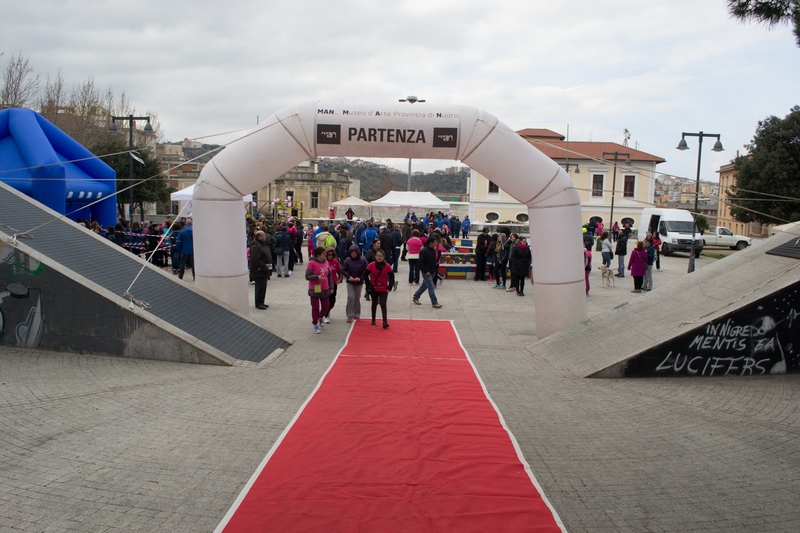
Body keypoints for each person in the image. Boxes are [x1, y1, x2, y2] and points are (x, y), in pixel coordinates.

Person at [364, 249, 395, 328]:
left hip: (383, 289)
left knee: (383, 304)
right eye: (378, 256)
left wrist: (390, 287)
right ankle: (373, 319)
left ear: (383, 257)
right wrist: (368, 285)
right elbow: (365, 274)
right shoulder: (371, 265)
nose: (379, 257)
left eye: (380, 256)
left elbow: (392, 276)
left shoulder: (387, 266)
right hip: (374, 288)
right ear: (375, 257)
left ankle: (385, 321)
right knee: (374, 304)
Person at [412, 235, 443, 308]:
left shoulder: (433, 250)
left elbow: (433, 261)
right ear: (430, 243)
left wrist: (435, 270)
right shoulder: (424, 251)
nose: (436, 243)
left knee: (424, 286)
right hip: (427, 273)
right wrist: (425, 271)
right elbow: (420, 262)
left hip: (432, 272)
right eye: (434, 242)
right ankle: (434, 302)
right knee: (431, 287)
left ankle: (415, 297)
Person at [306, 246, 331, 334]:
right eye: (323, 253)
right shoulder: (311, 263)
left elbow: (329, 276)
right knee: (315, 307)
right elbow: (307, 276)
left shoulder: (326, 262)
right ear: (318, 254)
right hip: (314, 288)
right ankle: (315, 324)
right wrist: (316, 277)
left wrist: (331, 287)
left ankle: (321, 317)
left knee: (326, 306)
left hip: (325, 287)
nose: (325, 255)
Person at [342, 244, 368, 323]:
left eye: (354, 253)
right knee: (351, 297)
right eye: (352, 253)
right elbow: (343, 270)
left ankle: (357, 313)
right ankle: (350, 314)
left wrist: (360, 277)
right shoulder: (347, 260)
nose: (353, 255)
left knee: (357, 298)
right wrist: (348, 276)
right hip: (350, 281)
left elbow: (366, 271)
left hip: (359, 281)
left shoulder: (363, 260)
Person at [249, 231, 273, 309]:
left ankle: (261, 301)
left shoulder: (260, 244)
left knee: (263, 287)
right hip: (259, 271)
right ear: (259, 237)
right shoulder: (256, 246)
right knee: (260, 287)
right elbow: (256, 259)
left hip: (263, 271)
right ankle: (259, 303)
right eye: (264, 236)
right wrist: (265, 268)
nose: (265, 237)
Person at [324, 247, 343, 324]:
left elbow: (340, 272)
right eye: (329, 254)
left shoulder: (336, 262)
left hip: (334, 283)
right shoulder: (324, 262)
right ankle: (326, 315)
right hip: (325, 283)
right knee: (326, 300)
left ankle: (327, 311)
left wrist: (340, 279)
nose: (330, 256)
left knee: (332, 300)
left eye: (332, 255)